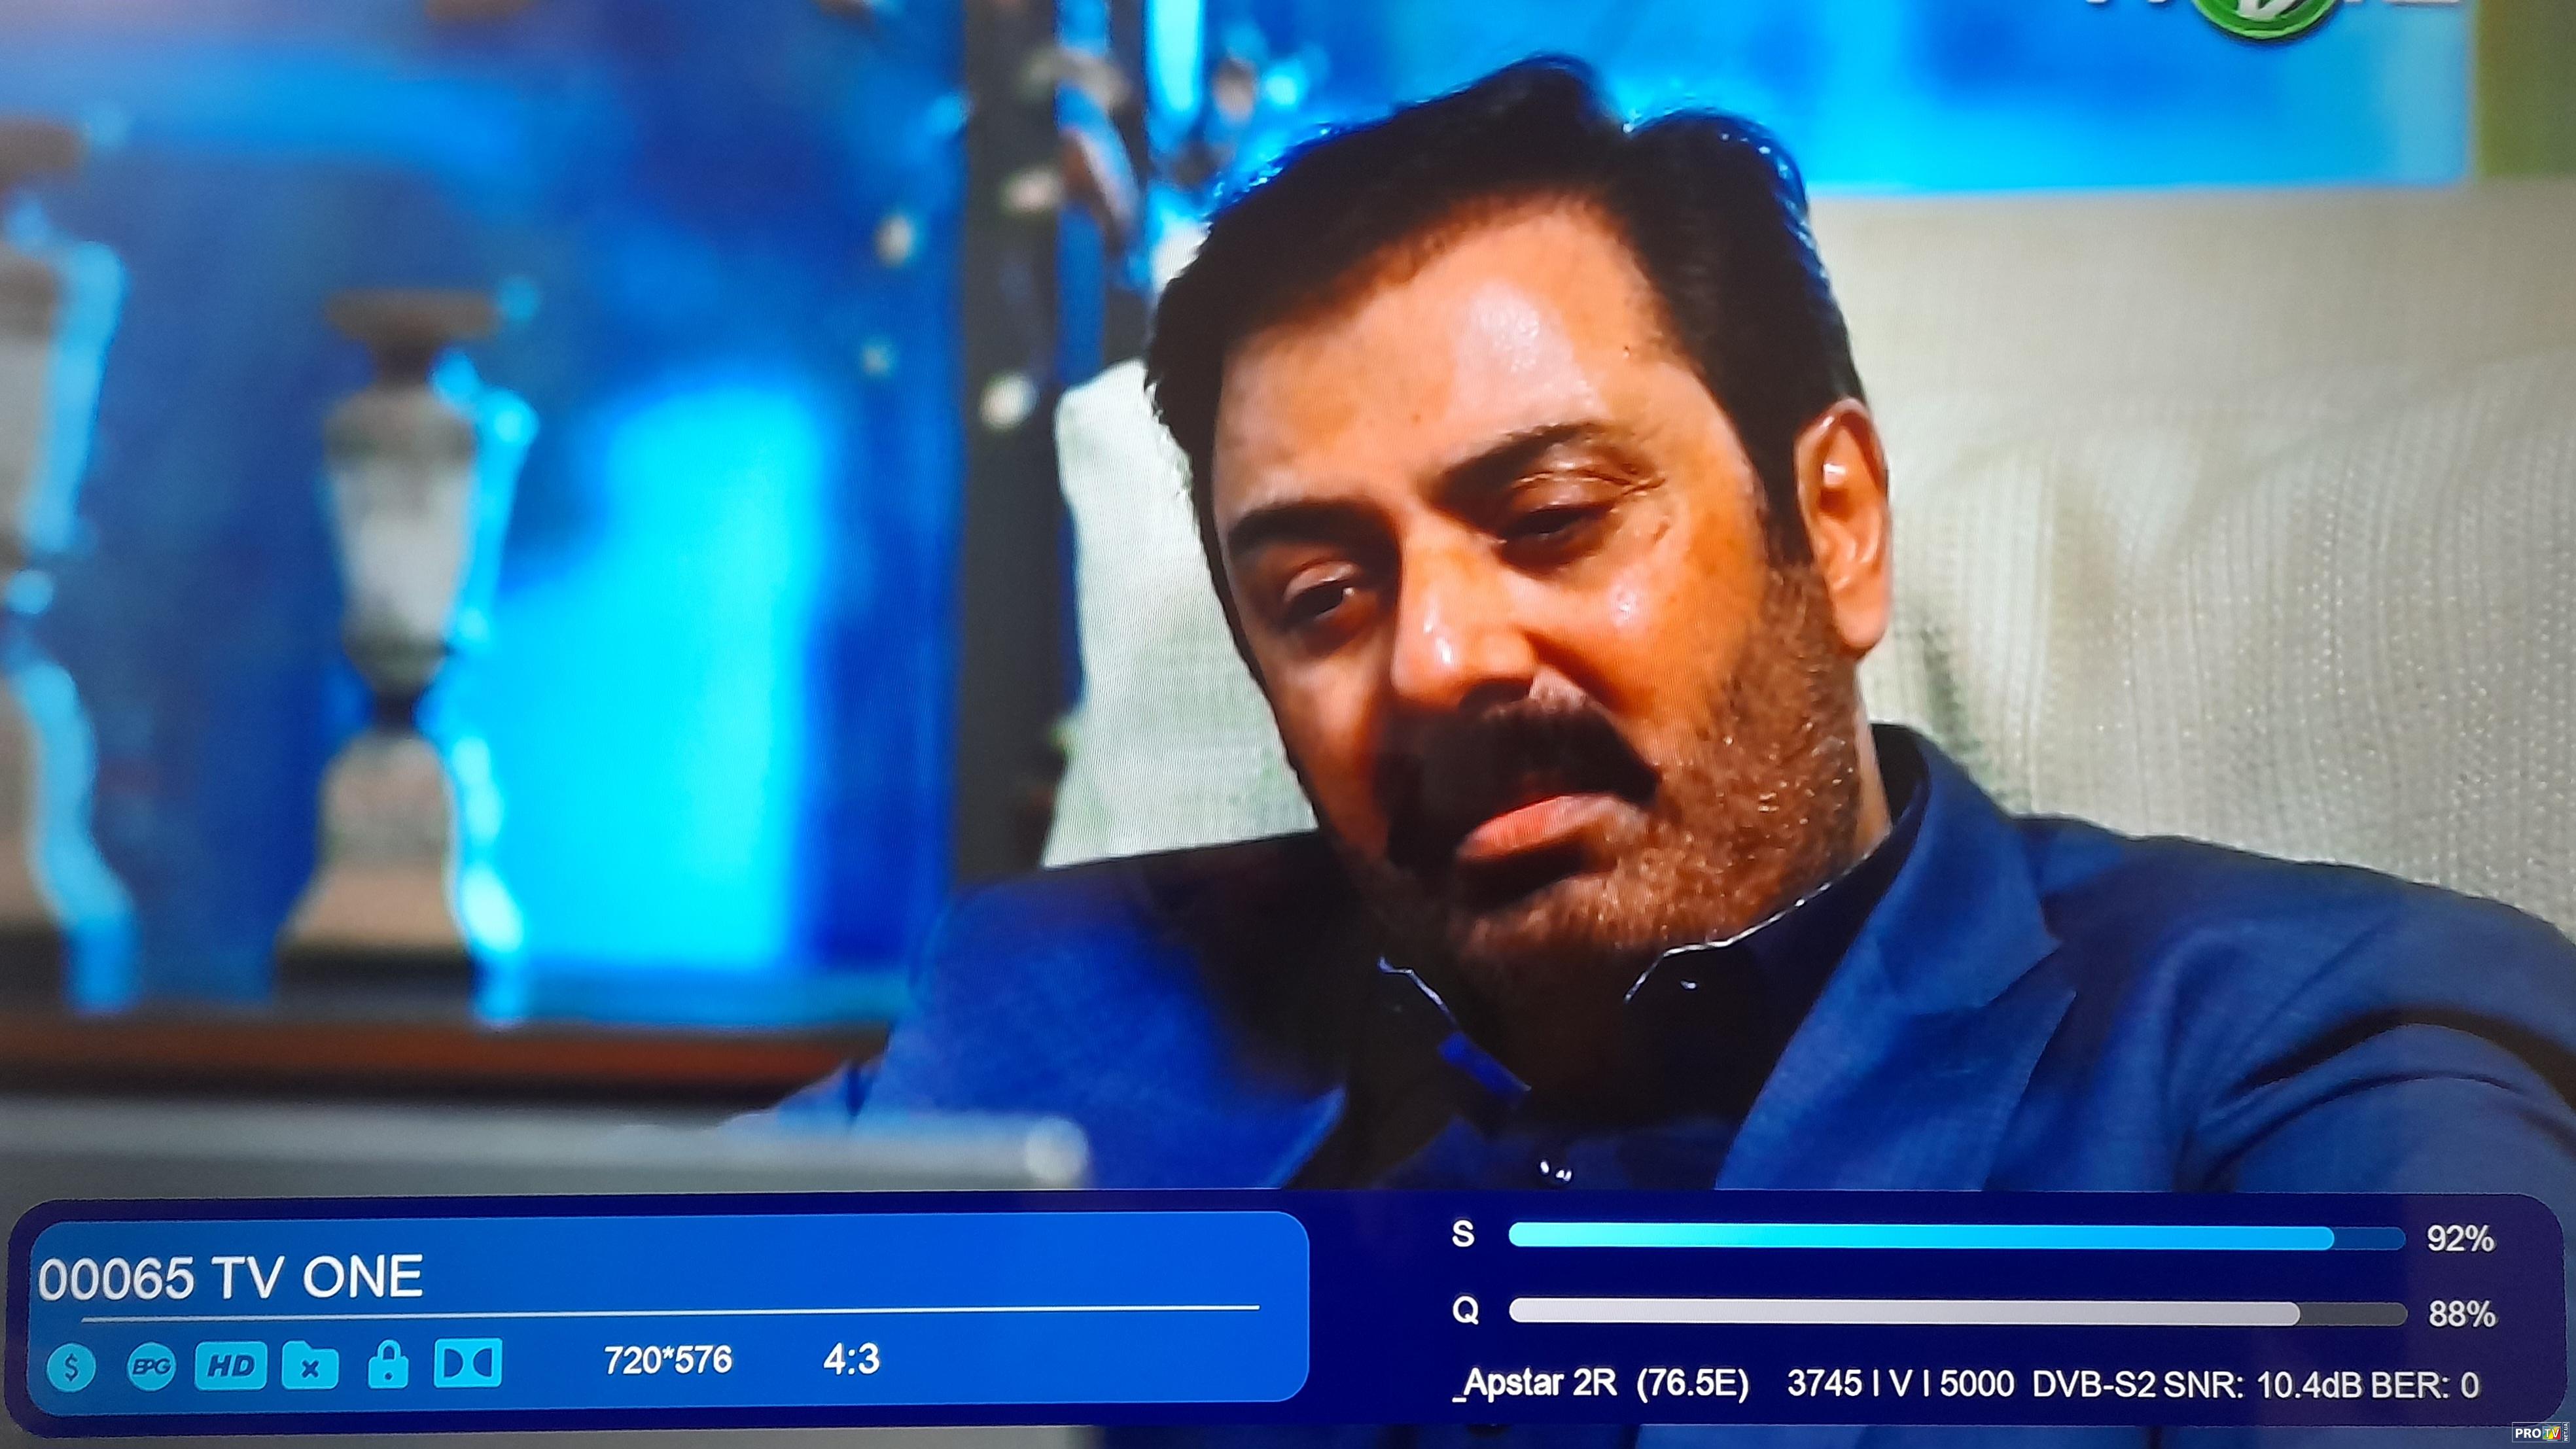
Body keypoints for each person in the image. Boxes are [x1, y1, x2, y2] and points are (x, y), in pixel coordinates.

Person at [775, 57, 2576, 1445]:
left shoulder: (2299, 1041)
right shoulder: (1053, 1010)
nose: (1438, 661)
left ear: (1836, 523)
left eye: (1552, 517)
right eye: (1322, 594)